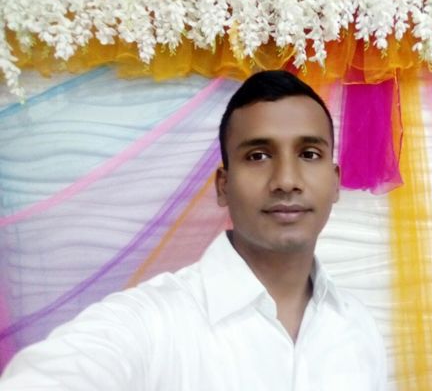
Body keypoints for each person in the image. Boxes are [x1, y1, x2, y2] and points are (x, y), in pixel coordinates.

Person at [0, 70, 387, 390]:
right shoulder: (148, 323)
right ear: (223, 186)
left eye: (309, 154)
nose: (286, 180)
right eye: (258, 155)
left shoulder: (356, 324)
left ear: (335, 182)